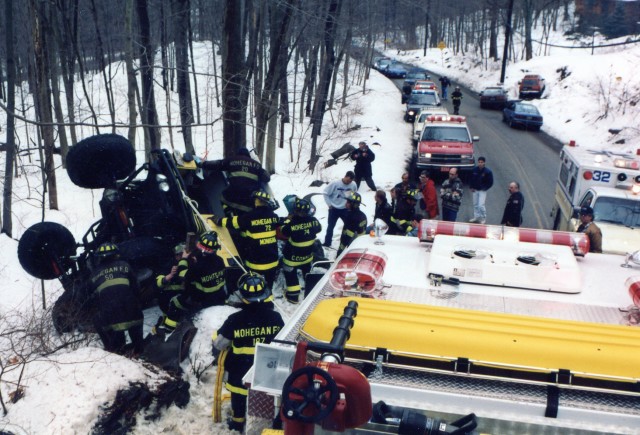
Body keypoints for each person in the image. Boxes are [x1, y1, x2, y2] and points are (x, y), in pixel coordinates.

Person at [212, 272, 284, 432]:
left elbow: (219, 344)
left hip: (240, 370)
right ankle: (269, 421)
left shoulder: (235, 320)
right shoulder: (276, 318)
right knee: (267, 397)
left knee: (238, 396)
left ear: (243, 297)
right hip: (267, 370)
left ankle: (238, 422)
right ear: (265, 295)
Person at [158, 232, 227, 334]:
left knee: (175, 303)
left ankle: (169, 330)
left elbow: (183, 276)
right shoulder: (220, 261)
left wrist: (184, 259)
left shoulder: (198, 266)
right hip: (219, 296)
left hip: (202, 300)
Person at [215, 190, 280, 287]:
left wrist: (218, 220)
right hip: (273, 262)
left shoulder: (250, 216)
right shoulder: (274, 217)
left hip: (255, 264)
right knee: (268, 285)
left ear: (257, 201)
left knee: (254, 285)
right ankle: (268, 293)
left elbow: (232, 222)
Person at [89, 242, 144, 356]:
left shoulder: (94, 274)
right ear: (116, 254)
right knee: (136, 332)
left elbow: (91, 297)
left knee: (114, 338)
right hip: (132, 312)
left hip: (111, 317)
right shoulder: (125, 265)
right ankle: (139, 350)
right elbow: (136, 287)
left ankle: (117, 352)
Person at [203, 148, 271, 217]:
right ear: (248, 155)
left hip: (233, 195)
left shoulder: (232, 160)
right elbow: (267, 177)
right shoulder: (257, 165)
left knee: (223, 197)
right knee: (248, 210)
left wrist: (203, 164)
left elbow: (218, 164)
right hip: (249, 198)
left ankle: (229, 213)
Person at [280, 199, 322, 303]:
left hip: (292, 259)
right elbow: (319, 229)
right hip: (307, 257)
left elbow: (283, 232)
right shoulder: (314, 220)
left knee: (290, 273)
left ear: (295, 210)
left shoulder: (291, 223)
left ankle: (293, 296)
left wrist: (287, 221)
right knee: (307, 272)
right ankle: (310, 292)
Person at [323, 171, 357, 248]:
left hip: (345, 209)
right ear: (345, 176)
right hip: (334, 209)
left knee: (348, 226)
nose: (349, 182)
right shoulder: (335, 183)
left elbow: (354, 195)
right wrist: (329, 205)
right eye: (348, 180)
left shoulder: (353, 184)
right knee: (330, 226)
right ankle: (327, 243)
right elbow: (325, 193)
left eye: (350, 181)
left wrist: (351, 205)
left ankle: (347, 242)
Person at [469, 157, 494, 224]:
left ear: (484, 163)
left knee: (481, 205)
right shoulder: (474, 170)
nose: (480, 163)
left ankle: (483, 218)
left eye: (481, 162)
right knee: (475, 204)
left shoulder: (488, 172)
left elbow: (490, 182)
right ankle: (476, 217)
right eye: (479, 162)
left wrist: (485, 188)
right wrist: (471, 187)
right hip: (475, 190)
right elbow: (471, 179)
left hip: (482, 191)